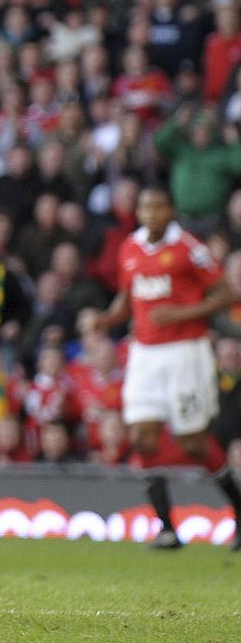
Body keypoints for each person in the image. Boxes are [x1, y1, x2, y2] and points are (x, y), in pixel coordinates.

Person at [94, 184, 241, 550]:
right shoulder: (130, 247)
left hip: (185, 351)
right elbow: (127, 296)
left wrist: (183, 312)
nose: (152, 214)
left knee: (193, 443)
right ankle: (167, 528)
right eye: (146, 207)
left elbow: (227, 294)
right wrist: (108, 319)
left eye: (159, 207)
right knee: (141, 438)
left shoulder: (189, 248)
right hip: (144, 353)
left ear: (171, 211)